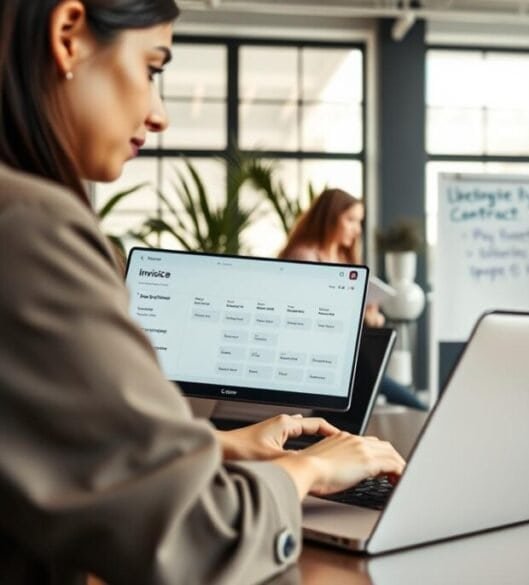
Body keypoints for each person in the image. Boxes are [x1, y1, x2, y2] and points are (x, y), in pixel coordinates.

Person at [0, 2, 405, 582]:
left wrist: (222, 448)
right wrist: (312, 471)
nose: (159, 114)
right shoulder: (28, 228)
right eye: (152, 68)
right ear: (68, 37)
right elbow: (195, 535)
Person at [279, 189, 428, 411]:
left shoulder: (341, 258)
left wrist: (370, 317)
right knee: (411, 403)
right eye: (350, 220)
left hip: (346, 357)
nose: (357, 230)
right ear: (328, 217)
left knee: (404, 400)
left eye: (359, 222)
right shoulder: (304, 256)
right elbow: (308, 317)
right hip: (320, 359)